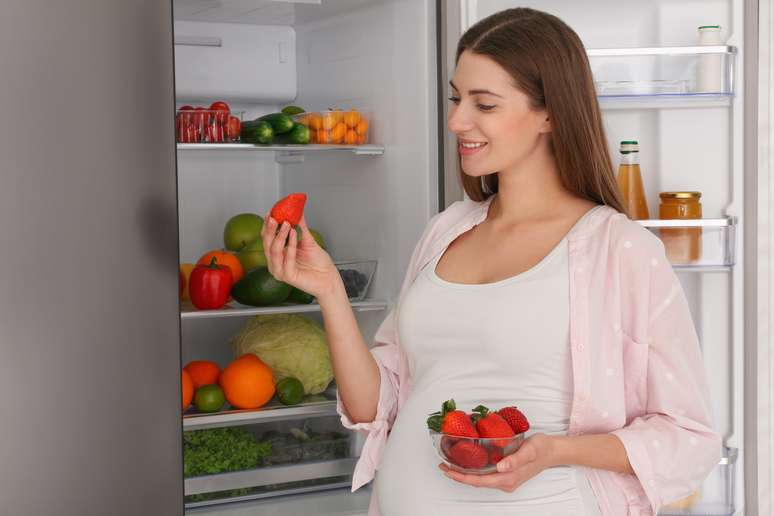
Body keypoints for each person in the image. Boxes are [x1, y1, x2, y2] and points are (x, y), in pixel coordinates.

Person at [261, 7, 721, 516]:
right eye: (457, 98)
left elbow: (689, 437)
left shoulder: (618, 247)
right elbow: (375, 405)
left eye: (485, 104)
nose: (457, 120)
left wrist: (556, 451)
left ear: (550, 113)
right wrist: (329, 290)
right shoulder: (446, 230)